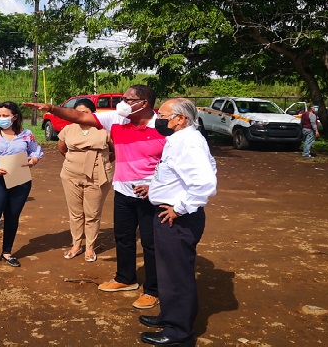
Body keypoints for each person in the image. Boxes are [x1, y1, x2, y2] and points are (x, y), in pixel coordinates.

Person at [24, 85, 165, 310]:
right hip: (123, 191)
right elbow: (80, 115)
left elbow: (174, 162)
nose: (123, 103)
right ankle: (125, 278)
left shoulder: (163, 126)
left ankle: (153, 289)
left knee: (150, 243)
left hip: (152, 195)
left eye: (128, 99)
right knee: (124, 238)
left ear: (144, 103)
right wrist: (52, 108)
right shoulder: (117, 120)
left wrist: (156, 185)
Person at [139, 98, 217, 347]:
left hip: (178, 218)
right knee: (167, 271)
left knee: (176, 275)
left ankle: (179, 332)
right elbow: (200, 169)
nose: (158, 118)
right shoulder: (179, 140)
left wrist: (180, 208)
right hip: (167, 212)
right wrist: (153, 186)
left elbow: (205, 182)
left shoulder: (189, 142)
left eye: (162, 114)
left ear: (181, 119)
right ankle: (169, 316)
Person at [0, 101, 43, 269]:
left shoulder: (26, 134)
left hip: (20, 180)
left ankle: (7, 252)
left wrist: (33, 159)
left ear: (15, 117)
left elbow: (35, 150)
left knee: (12, 217)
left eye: (5, 115)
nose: (1, 118)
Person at [58, 98, 114, 262]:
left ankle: (90, 247)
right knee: (75, 213)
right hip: (71, 175)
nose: (81, 115)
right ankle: (76, 244)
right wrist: (76, 161)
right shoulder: (68, 129)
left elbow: (114, 150)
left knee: (92, 213)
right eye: (77, 112)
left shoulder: (104, 129)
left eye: (85, 112)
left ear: (93, 113)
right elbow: (62, 148)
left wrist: (102, 164)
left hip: (98, 176)